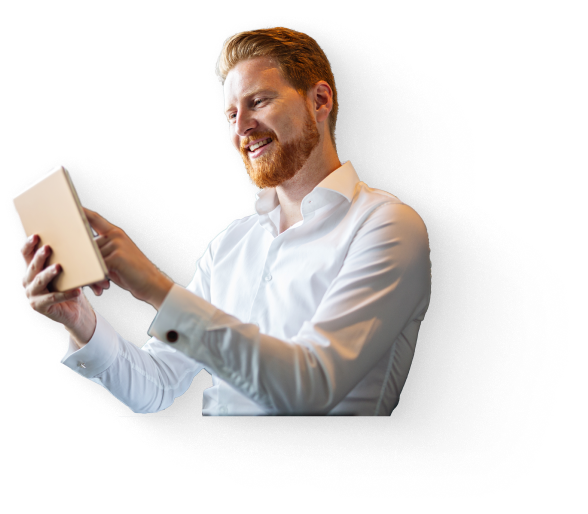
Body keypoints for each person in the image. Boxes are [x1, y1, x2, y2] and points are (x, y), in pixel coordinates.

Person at [19, 26, 432, 416]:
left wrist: (154, 286)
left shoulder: (388, 226)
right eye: (232, 113)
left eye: (259, 102)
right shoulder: (231, 245)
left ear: (319, 101)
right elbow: (156, 385)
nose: (242, 127)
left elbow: (311, 387)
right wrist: (78, 319)